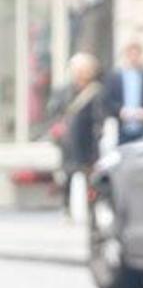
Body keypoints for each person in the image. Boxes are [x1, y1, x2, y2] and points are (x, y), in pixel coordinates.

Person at [52, 51, 107, 223]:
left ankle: (92, 212)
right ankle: (66, 209)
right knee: (67, 178)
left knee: (90, 182)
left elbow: (101, 116)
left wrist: (99, 133)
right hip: (68, 143)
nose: (81, 73)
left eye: (85, 69)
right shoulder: (63, 91)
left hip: (88, 143)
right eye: (78, 69)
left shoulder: (96, 91)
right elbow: (53, 111)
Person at [102, 39, 143, 143]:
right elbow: (107, 101)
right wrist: (121, 111)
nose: (134, 58)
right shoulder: (114, 77)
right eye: (131, 54)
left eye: (137, 54)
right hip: (120, 129)